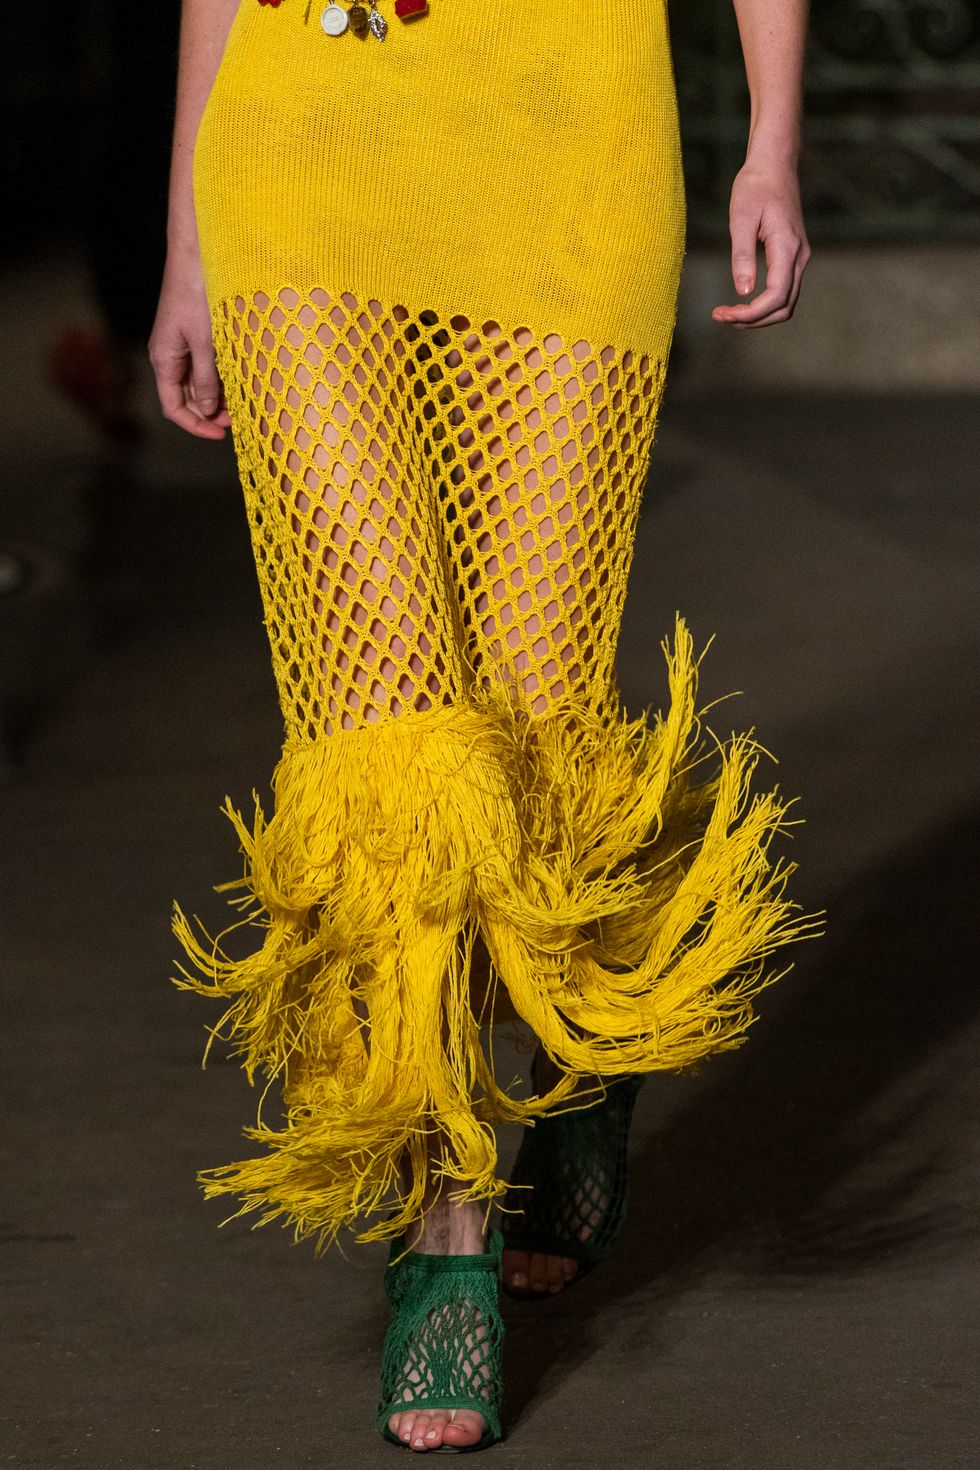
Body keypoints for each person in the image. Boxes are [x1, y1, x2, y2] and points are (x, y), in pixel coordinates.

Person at [150, 0, 816, 1452]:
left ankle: (582, 1023)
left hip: (569, 130)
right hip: (304, 139)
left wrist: (773, 140)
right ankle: (444, 1211)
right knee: (393, 744)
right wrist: (185, 245)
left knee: (535, 721)